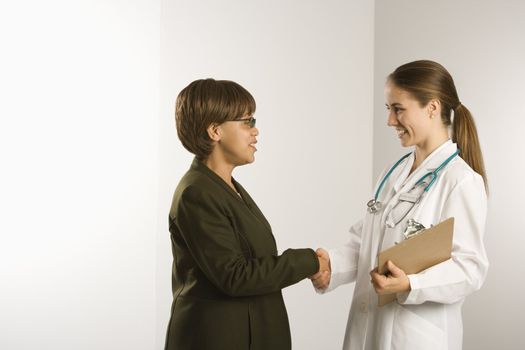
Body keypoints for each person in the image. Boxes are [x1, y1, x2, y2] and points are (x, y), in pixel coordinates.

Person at [311, 60, 488, 350]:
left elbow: (470, 269)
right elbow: (366, 244)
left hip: (415, 337)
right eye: (388, 109)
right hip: (368, 329)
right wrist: (331, 264)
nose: (390, 121)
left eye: (398, 109)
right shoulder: (393, 173)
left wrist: (411, 285)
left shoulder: (461, 181)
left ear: (432, 108)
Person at [164, 78, 329, 350]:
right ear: (215, 131)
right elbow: (235, 276)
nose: (255, 131)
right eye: (247, 122)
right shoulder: (197, 193)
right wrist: (309, 261)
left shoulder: (225, 187)